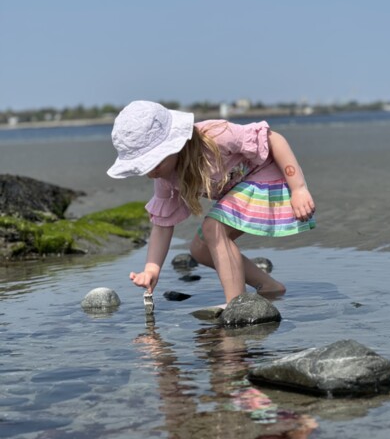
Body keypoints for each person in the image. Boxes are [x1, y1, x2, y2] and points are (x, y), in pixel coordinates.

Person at [107, 100, 315, 304]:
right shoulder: (165, 177)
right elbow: (162, 225)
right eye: (143, 169)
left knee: (213, 227)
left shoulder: (215, 136)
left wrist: (298, 188)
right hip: (241, 191)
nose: (152, 174)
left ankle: (236, 303)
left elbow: (273, 139)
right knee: (200, 249)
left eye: (155, 164)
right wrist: (151, 269)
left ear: (174, 145)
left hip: (266, 176)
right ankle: (269, 286)